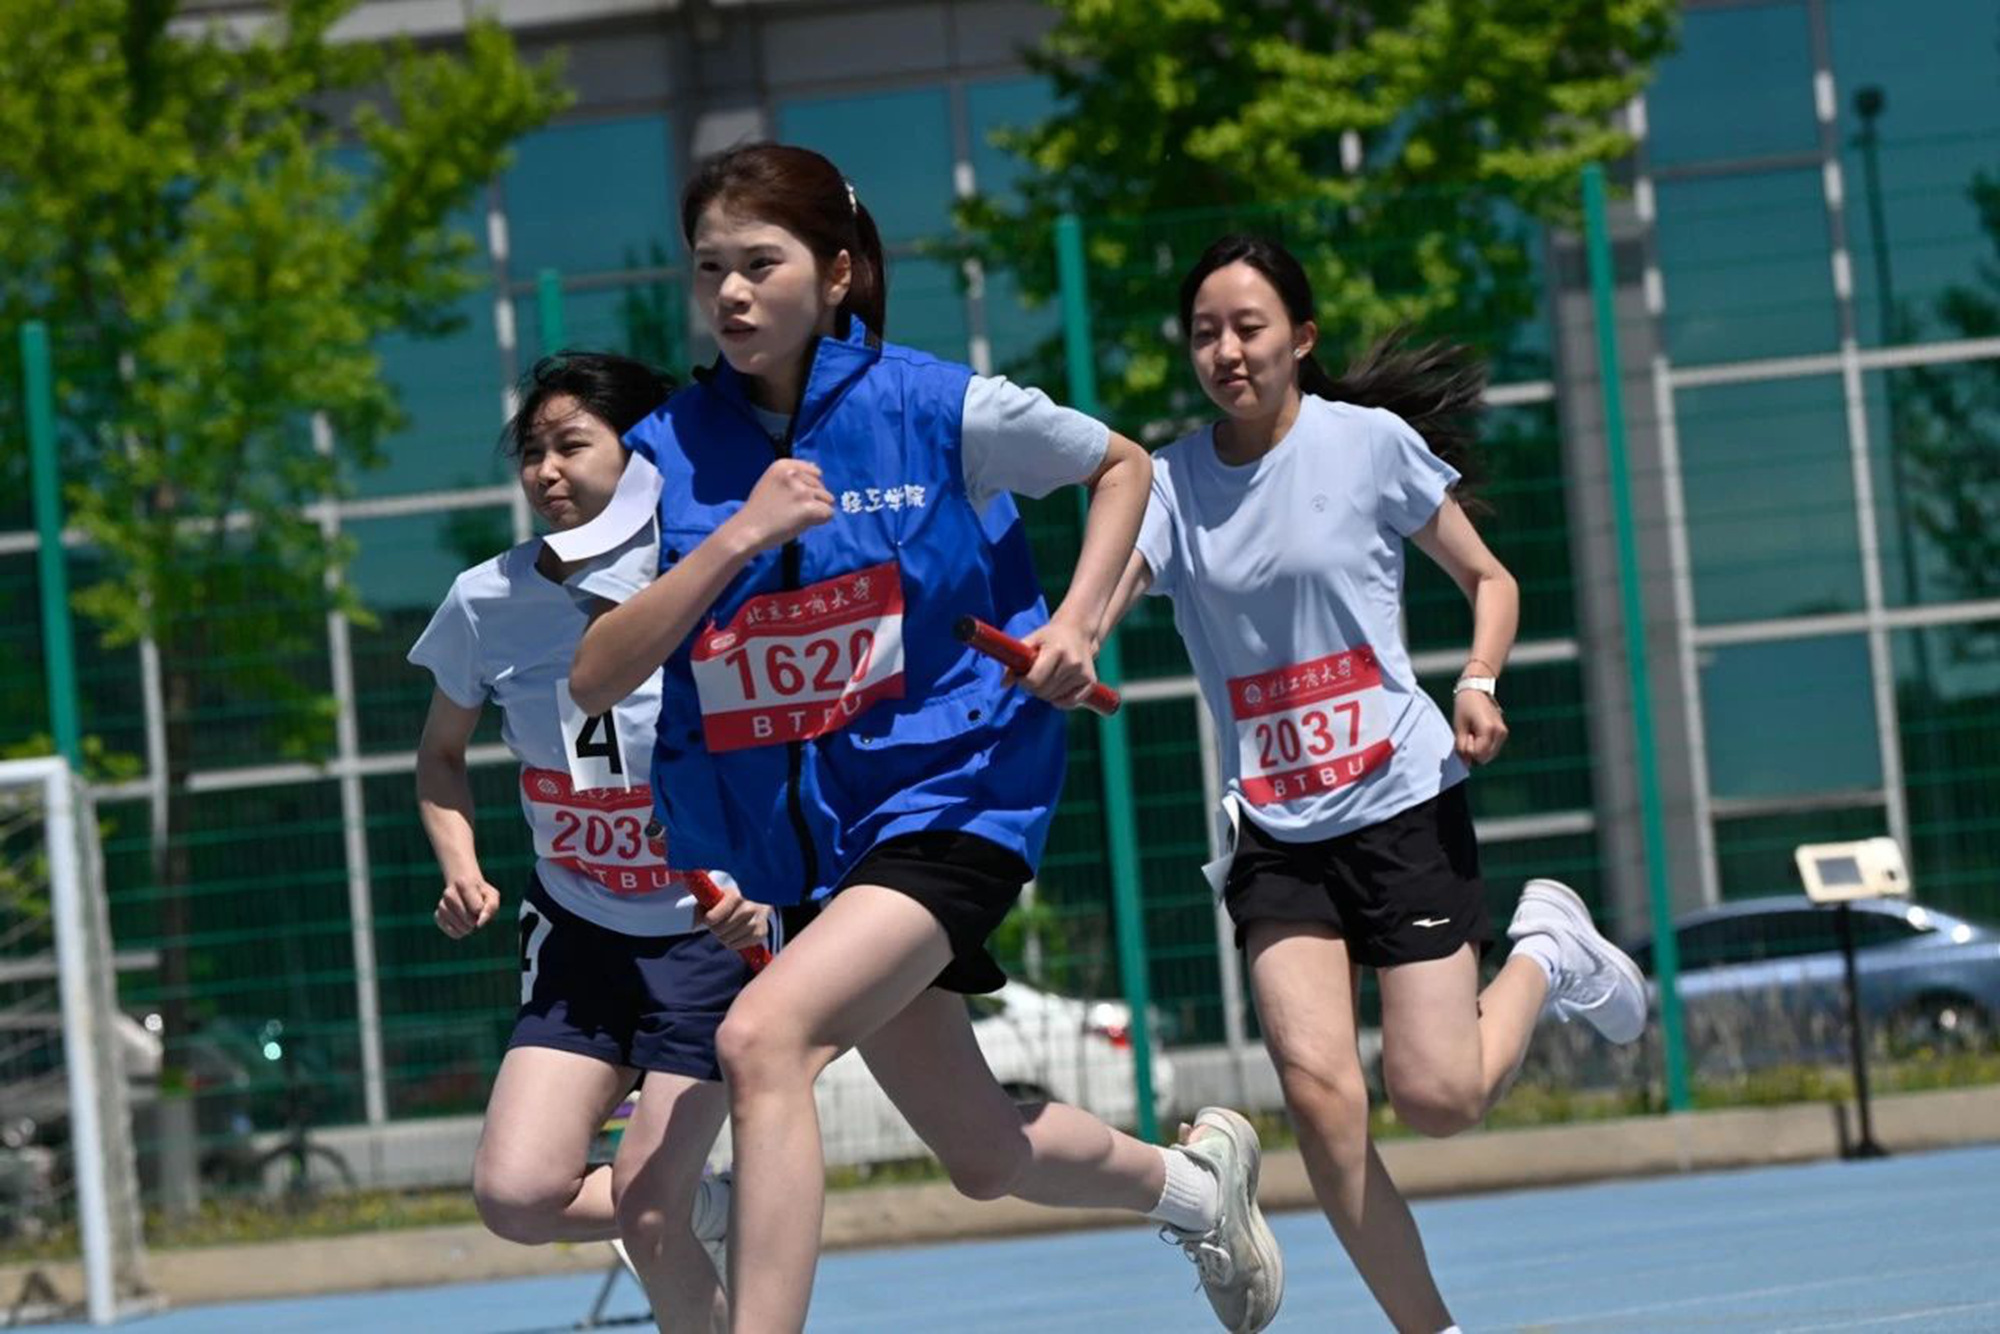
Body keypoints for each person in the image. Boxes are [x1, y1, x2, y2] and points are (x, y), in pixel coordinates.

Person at [568, 144, 1283, 1334]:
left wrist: (1074, 622)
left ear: (837, 272)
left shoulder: (937, 408)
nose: (729, 292)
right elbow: (596, 673)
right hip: (809, 848)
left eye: (759, 263)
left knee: (763, 1038)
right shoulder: (664, 453)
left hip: (956, 793)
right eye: (707, 268)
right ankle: (1197, 1188)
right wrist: (737, 537)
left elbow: (1121, 466)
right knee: (982, 1153)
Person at [1094, 233, 1651, 1334]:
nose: (1225, 351)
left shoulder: (1367, 446)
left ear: (1300, 338)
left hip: (1400, 801)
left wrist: (1477, 680)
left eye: (1248, 327)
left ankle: (1545, 949)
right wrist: (1070, 645)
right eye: (1204, 333)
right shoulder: (1171, 484)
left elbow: (1490, 578)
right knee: (1319, 1098)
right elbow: (1102, 600)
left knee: (1438, 1097)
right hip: (1273, 829)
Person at [411, 352, 768, 1332]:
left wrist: (760, 881)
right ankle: (710, 1202)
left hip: (708, 937)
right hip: (578, 930)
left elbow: (793, 752)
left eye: (572, 444)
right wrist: (462, 867)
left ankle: (680, 1208)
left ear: (644, 454)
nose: (545, 470)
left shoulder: (713, 578)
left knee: (648, 1206)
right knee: (516, 1196)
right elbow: (439, 756)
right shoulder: (485, 600)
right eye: (532, 451)